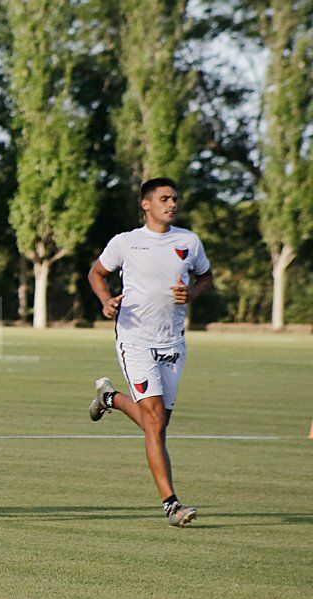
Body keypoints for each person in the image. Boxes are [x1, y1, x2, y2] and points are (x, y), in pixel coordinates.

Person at [87, 177, 212, 527]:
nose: (171, 204)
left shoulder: (189, 241)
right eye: (164, 199)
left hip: (172, 342)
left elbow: (205, 277)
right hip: (135, 339)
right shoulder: (126, 243)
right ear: (146, 205)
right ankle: (171, 505)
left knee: (157, 425)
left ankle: (110, 398)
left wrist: (193, 292)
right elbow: (96, 273)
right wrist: (105, 301)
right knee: (155, 424)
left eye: (174, 198)